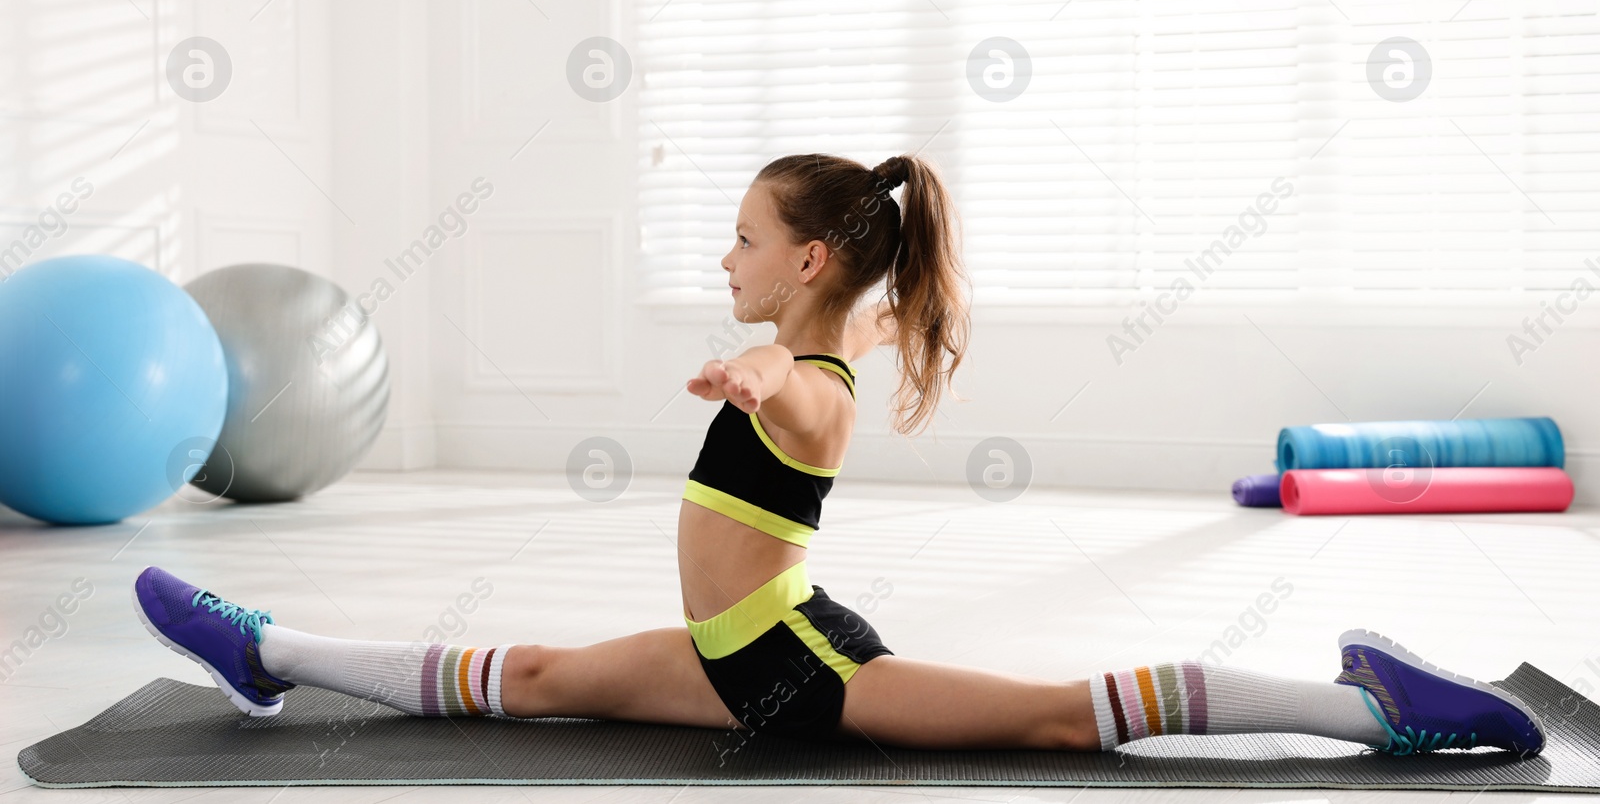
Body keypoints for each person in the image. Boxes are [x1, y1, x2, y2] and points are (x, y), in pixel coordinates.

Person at [133, 152, 1545, 759]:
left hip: (802, 668)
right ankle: (272, 653)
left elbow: (798, 394)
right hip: (734, 650)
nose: (725, 256)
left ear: (800, 259)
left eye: (743, 238)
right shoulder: (837, 343)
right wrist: (806, 344)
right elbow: (854, 339)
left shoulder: (803, 384)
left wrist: (749, 370)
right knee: (543, 679)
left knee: (1058, 721)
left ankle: (1373, 709)